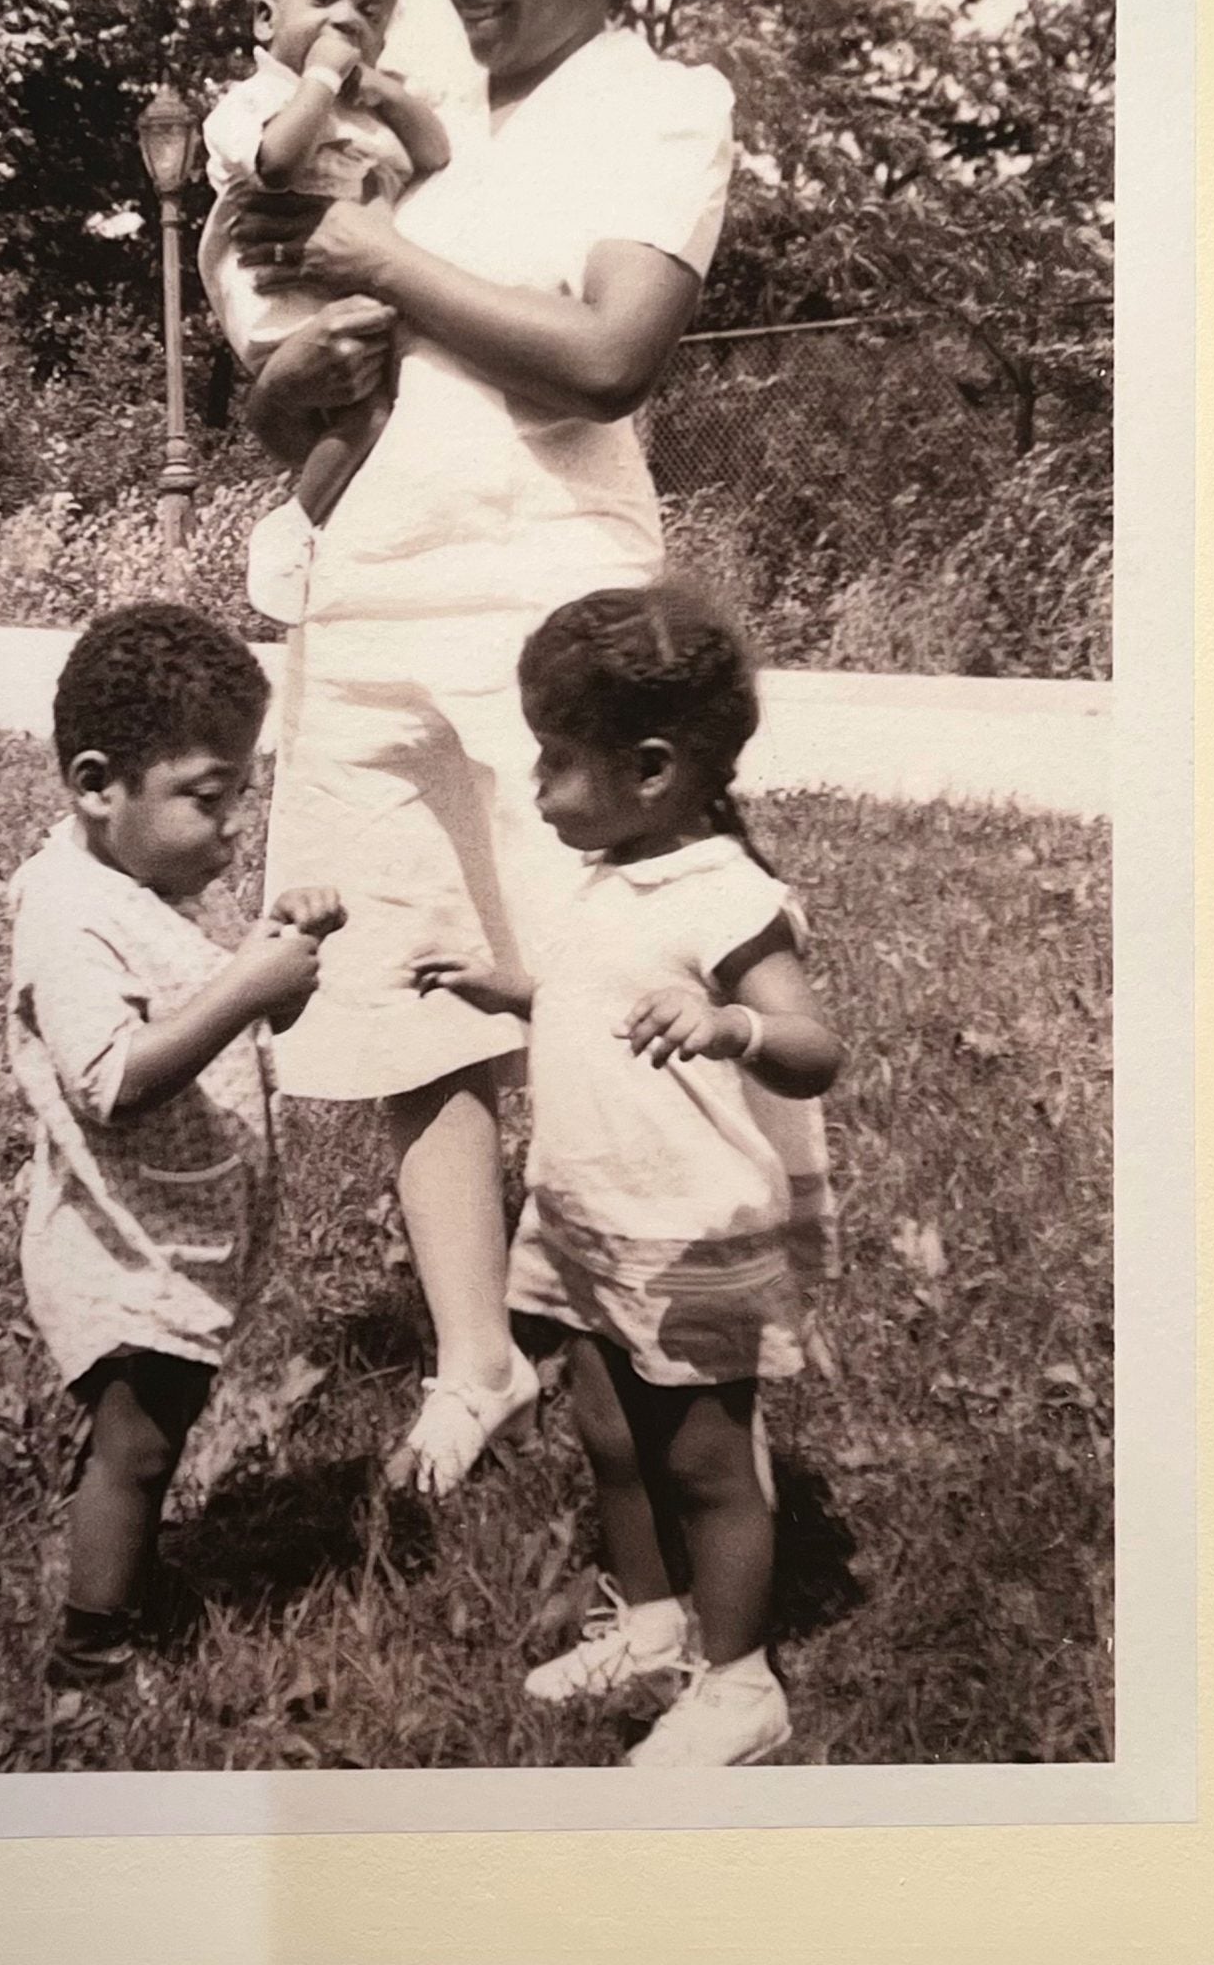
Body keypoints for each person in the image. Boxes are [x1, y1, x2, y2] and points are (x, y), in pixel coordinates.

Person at [232, 0, 762, 1497]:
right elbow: (316, 402)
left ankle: (676, 1378)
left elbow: (611, 353)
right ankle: (476, 1359)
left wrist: (387, 271)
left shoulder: (659, 101)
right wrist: (292, 377)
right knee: (395, 978)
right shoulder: (429, 146)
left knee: (608, 993)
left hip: (551, 605)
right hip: (373, 586)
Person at [414, 584, 843, 1766]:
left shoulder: (731, 900)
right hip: (589, 1215)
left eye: (556, 760)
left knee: (706, 1460)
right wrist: (500, 984)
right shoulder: (611, 878)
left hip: (692, 1229)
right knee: (609, 1429)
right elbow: (584, 993)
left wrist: (731, 1028)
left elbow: (815, 1049)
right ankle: (655, 1621)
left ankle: (742, 1680)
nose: (540, 786)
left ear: (651, 769)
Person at [7, 602, 345, 1686]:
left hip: (174, 1235)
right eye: (209, 796)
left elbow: (224, 1009)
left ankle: (123, 1562)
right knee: (140, 1442)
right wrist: (248, 983)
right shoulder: (69, 915)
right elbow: (113, 1079)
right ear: (99, 785)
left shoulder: (140, 888)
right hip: (121, 1253)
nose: (235, 825)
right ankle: (92, 1652)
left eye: (242, 792)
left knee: (152, 1432)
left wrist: (275, 956)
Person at [198, 0, 450, 624]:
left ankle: (319, 529)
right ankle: (295, 525)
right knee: (367, 408)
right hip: (283, 303)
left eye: (369, 12)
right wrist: (317, 78)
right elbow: (277, 165)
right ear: (264, 19)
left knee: (384, 413)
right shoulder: (247, 104)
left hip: (349, 289)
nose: (347, 19)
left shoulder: (368, 118)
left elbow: (433, 155)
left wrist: (388, 94)